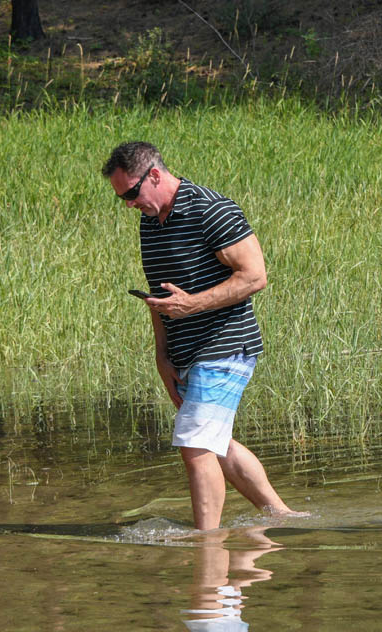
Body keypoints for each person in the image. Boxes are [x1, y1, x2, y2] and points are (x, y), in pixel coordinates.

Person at [102, 141, 302, 530]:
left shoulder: (212, 209)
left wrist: (191, 305)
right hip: (185, 353)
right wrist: (162, 359)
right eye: (121, 198)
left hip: (226, 346)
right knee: (214, 443)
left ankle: (206, 544)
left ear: (154, 175)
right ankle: (283, 518)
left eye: (131, 193)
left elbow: (255, 275)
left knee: (194, 444)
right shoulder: (151, 221)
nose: (128, 204)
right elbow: (160, 298)